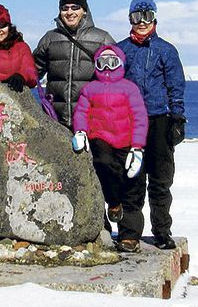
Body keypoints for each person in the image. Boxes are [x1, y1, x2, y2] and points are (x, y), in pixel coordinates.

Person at [117, 0, 186, 250]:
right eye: (137, 17)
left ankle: (162, 231)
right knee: (132, 179)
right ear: (130, 20)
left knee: (160, 180)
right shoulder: (121, 50)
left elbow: (175, 85)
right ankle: (129, 234)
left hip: (159, 119)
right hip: (129, 122)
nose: (142, 22)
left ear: (155, 18)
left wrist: (177, 117)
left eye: (147, 16)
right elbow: (111, 82)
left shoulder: (166, 50)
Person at [70, 44, 149, 253]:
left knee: (133, 184)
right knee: (102, 168)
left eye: (112, 62)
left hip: (127, 142)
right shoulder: (90, 89)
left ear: (120, 63)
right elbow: (81, 113)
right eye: (102, 62)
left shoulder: (129, 88)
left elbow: (140, 117)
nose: (107, 67)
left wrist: (138, 147)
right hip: (101, 138)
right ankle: (111, 205)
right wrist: (80, 131)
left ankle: (129, 235)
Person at [33, 0, 116, 129]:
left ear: (84, 10)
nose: (69, 12)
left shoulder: (102, 39)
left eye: (75, 7)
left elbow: (117, 77)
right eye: (64, 8)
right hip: (55, 119)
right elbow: (32, 71)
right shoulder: (50, 38)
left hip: (91, 119)